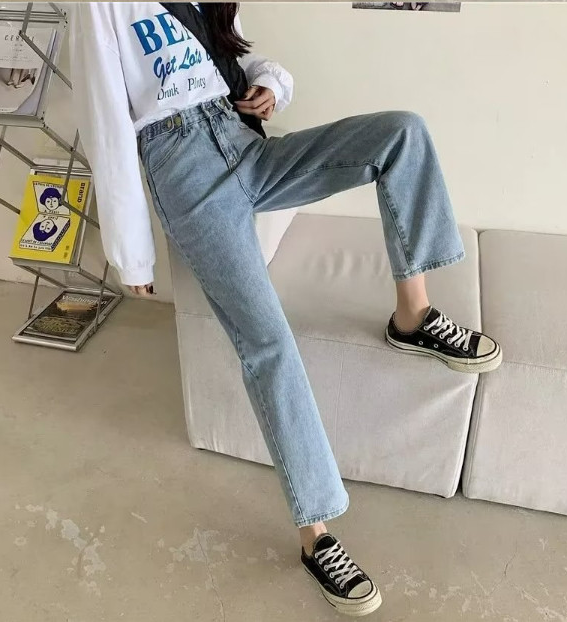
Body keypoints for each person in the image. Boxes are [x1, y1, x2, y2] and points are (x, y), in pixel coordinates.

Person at [69, 2, 502, 616]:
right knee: (267, 343)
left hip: (243, 142)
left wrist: (272, 84)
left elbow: (239, 57)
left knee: (401, 133)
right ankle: (316, 537)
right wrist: (131, 253)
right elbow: (105, 121)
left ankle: (413, 316)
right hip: (183, 168)